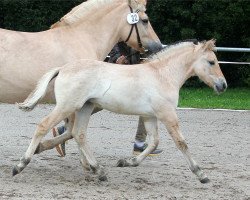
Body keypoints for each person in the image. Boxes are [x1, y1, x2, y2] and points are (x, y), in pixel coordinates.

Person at [53, 42, 163, 156]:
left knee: (145, 104)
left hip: (135, 74)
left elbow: (150, 48)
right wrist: (117, 60)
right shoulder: (126, 29)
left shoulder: (141, 32)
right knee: (97, 104)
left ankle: (139, 144)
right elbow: (114, 46)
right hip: (119, 74)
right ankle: (139, 145)